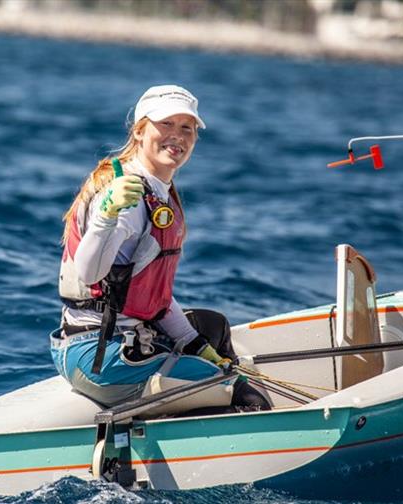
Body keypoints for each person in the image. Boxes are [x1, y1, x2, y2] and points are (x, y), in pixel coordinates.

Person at [50, 85, 270, 413]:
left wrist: (197, 345)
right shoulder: (127, 194)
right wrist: (106, 215)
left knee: (212, 329)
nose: (177, 136)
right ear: (139, 131)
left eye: (187, 128)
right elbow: (89, 272)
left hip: (116, 341)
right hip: (98, 355)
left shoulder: (159, 190)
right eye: (165, 124)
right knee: (240, 394)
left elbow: (154, 297)